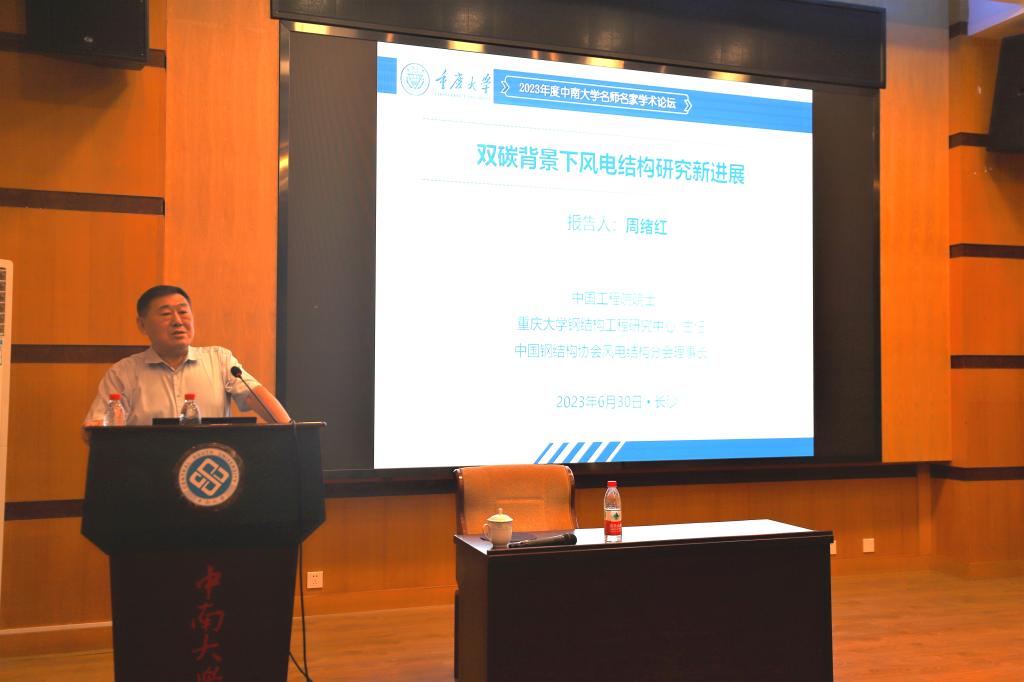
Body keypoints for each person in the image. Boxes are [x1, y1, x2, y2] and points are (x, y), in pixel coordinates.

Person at [83, 285, 290, 428]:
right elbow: (96, 427)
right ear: (142, 325)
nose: (177, 321)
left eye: (183, 312)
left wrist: (291, 431)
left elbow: (255, 396)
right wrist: (95, 428)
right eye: (166, 314)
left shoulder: (219, 360)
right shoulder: (124, 372)